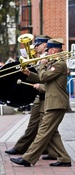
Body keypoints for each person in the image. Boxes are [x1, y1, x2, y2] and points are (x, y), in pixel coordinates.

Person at [10, 38, 72, 167]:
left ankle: (28, 158)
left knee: (43, 131)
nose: (47, 52)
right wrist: (28, 73)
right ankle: (64, 158)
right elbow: (41, 78)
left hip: (56, 103)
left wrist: (43, 64)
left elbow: (43, 77)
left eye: (48, 50)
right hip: (53, 102)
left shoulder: (59, 64)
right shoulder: (54, 63)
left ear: (54, 50)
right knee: (52, 132)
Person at [5, 35, 52, 156]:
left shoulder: (48, 58)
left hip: (47, 94)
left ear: (45, 45)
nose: (35, 47)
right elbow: (39, 76)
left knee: (46, 127)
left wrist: (39, 66)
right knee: (36, 125)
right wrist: (29, 72)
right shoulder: (40, 58)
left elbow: (45, 78)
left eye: (38, 44)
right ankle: (24, 147)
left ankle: (32, 150)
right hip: (40, 95)